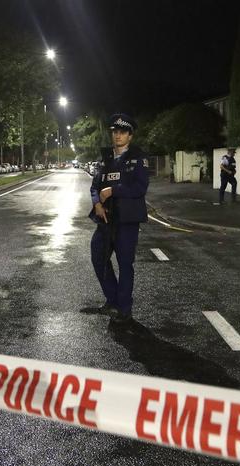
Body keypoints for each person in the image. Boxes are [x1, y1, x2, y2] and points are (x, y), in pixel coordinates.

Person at [89, 113, 149, 324]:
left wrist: (113, 191)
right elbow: (95, 186)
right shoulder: (105, 159)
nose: (118, 136)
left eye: (122, 132)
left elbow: (140, 188)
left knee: (125, 264)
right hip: (105, 219)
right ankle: (112, 300)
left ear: (130, 136)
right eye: (115, 132)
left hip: (127, 220)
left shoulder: (138, 158)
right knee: (98, 257)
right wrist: (97, 203)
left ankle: (124, 308)